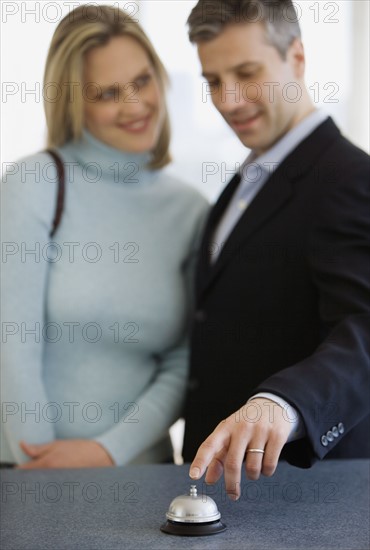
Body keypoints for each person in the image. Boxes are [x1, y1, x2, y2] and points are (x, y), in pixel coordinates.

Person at [1, 5, 208, 468]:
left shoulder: (191, 211)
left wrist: (106, 452)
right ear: (74, 102)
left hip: (142, 479)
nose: (134, 106)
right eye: (108, 93)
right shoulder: (33, 184)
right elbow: (12, 346)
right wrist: (40, 473)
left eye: (142, 81)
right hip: (29, 471)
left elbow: (184, 361)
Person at [182, 0, 370, 499]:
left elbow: (365, 329)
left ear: (298, 59)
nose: (229, 99)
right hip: (223, 491)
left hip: (304, 494)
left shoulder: (350, 177)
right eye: (213, 81)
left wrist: (283, 404)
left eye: (246, 73)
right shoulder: (248, 177)